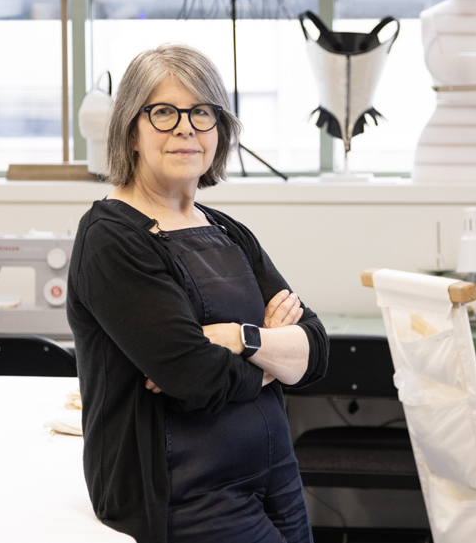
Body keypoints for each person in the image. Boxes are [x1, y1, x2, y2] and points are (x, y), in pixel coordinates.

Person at [67, 43, 329, 543]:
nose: (185, 127)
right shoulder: (110, 237)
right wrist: (274, 358)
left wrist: (237, 338)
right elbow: (192, 376)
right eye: (163, 112)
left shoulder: (227, 229)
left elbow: (315, 349)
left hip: (277, 478)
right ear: (131, 130)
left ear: (219, 131)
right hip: (185, 496)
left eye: (202, 113)